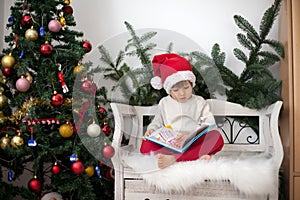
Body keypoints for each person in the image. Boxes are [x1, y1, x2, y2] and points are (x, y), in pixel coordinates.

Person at [140, 53, 224, 169]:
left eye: (186, 88)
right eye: (176, 90)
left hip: (192, 141)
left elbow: (210, 124)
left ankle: (175, 158)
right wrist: (151, 130)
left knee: (217, 138)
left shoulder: (199, 101)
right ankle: (193, 156)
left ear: (192, 85)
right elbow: (157, 122)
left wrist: (190, 134)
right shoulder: (164, 102)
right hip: (171, 143)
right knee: (145, 146)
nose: (182, 93)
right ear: (169, 91)